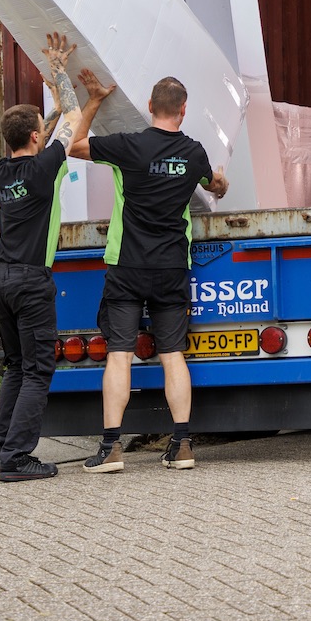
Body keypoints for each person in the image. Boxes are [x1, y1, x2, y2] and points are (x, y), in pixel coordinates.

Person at [69, 76, 228, 473]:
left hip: (127, 266)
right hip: (172, 266)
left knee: (119, 355)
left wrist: (93, 102)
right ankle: (183, 445)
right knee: (173, 355)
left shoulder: (128, 145)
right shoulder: (194, 153)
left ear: (149, 105)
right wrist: (220, 178)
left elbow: (74, 146)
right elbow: (216, 186)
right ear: (184, 109)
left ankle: (110, 450)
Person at [0, 33, 114, 482]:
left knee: (15, 366)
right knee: (39, 370)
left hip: (0, 280)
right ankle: (19, 458)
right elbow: (74, 116)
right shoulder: (45, 169)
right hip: (30, 282)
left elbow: (57, 121)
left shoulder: (3, 173)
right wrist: (59, 68)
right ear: (38, 137)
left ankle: (3, 449)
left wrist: (53, 105)